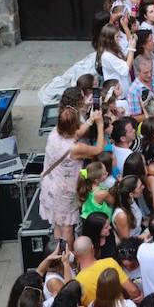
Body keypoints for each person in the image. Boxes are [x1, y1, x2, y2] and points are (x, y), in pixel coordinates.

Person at [39, 105, 105, 246]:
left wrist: (90, 120)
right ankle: (69, 260)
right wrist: (99, 125)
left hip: (50, 186)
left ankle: (58, 256)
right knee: (68, 228)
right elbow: (98, 149)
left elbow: (73, 134)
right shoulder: (76, 148)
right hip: (64, 191)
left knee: (58, 224)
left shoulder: (54, 134)